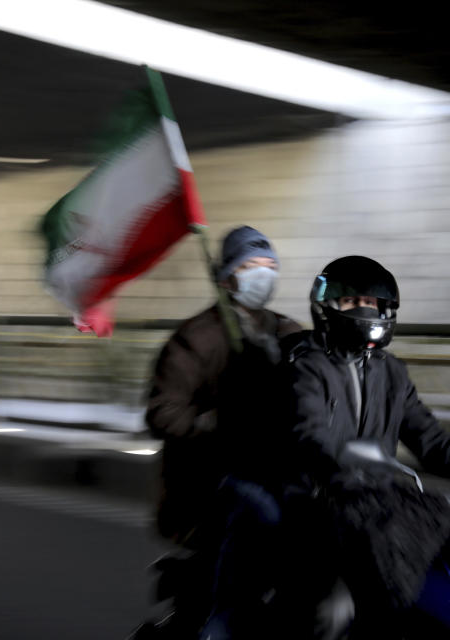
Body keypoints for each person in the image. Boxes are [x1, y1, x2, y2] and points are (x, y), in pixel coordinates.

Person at [277, 255, 450, 638]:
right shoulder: (307, 366)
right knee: (334, 609)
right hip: (319, 503)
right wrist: (336, 462)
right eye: (353, 302)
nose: (365, 310)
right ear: (328, 307)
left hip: (379, 502)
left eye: (371, 303)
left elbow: (432, 441)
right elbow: (309, 433)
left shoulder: (391, 372)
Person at [144, 225, 302, 636]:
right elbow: (162, 413)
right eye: (250, 266)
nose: (262, 274)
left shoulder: (289, 332)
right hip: (209, 484)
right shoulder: (195, 338)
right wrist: (214, 422)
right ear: (226, 275)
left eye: (269, 266)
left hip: (280, 475)